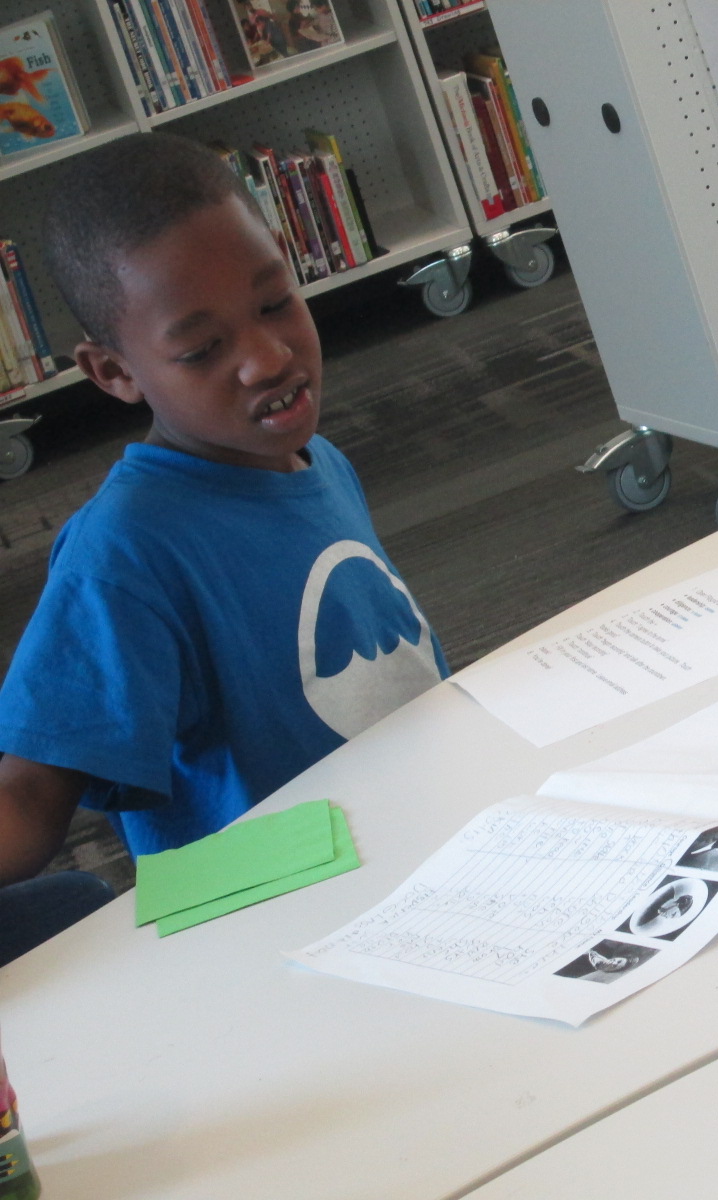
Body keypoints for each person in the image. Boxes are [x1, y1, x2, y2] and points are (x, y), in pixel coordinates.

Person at [0, 132, 447, 893]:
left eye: (275, 304)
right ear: (114, 373)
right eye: (203, 349)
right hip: (290, 914)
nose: (267, 358)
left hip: (424, 846)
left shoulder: (317, 459)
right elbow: (30, 796)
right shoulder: (122, 553)